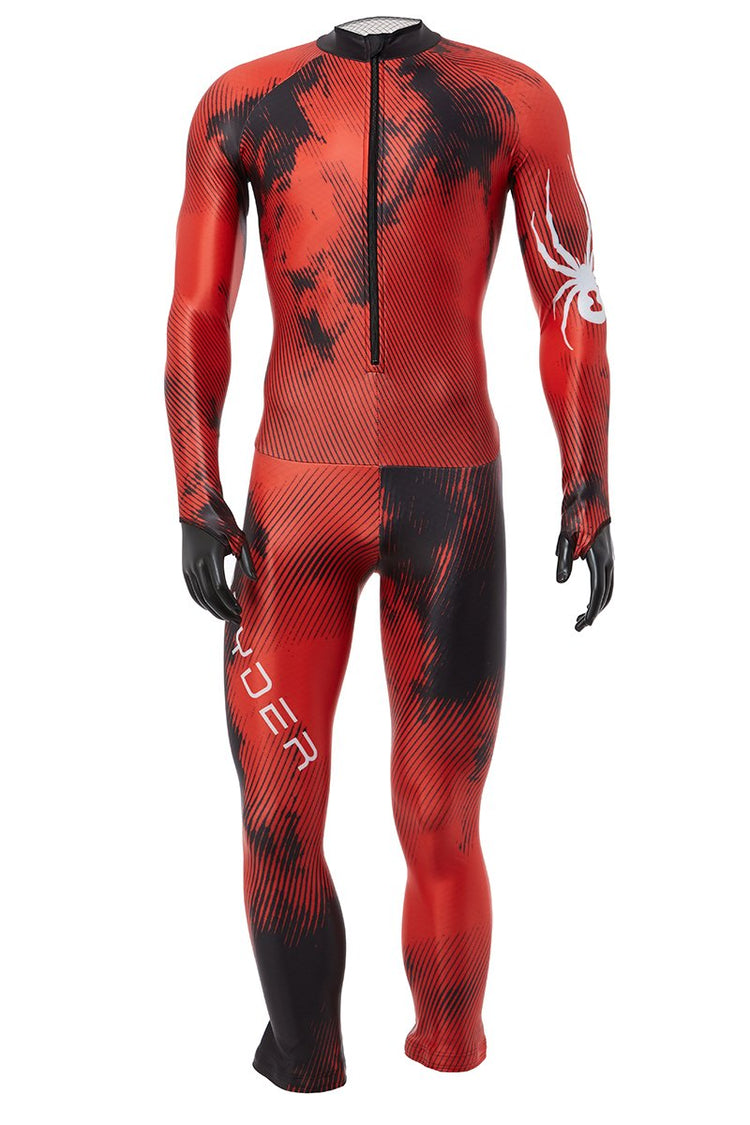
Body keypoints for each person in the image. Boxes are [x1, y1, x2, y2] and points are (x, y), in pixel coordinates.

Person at [165, 16, 614, 1092]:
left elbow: (569, 303)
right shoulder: (239, 102)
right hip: (316, 500)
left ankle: (447, 1058)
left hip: (424, 498)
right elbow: (198, 308)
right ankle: (308, 1060)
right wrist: (193, 486)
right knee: (281, 812)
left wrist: (588, 483)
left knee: (434, 817)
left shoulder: (512, 99)